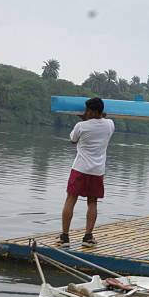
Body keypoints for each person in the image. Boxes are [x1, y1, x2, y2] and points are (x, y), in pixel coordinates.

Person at [57, 97, 115, 248]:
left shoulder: (81, 126)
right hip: (97, 171)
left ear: (93, 111)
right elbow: (104, 119)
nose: (85, 112)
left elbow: (73, 140)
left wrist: (84, 120)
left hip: (80, 169)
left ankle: (64, 238)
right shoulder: (110, 125)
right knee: (92, 202)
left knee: (71, 199)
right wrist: (95, 117)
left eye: (88, 110)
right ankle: (88, 237)